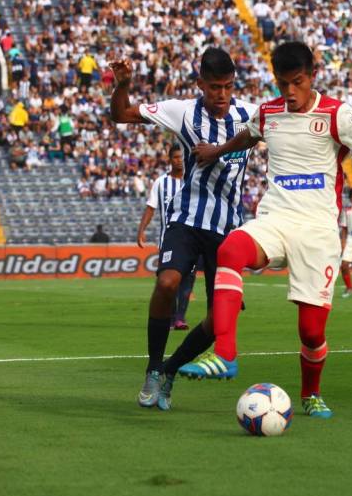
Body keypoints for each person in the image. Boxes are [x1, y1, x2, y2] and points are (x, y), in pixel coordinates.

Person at [182, 41, 352, 420]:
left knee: (311, 332)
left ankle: (311, 393)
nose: (289, 93)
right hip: (277, 218)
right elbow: (245, 138)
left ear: (312, 76)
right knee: (231, 249)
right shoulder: (268, 113)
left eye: (297, 82)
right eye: (282, 84)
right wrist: (216, 151)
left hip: (318, 231)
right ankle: (225, 353)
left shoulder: (336, 114)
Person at [109, 46, 257, 412]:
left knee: (218, 319)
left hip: (228, 230)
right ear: (200, 84)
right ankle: (153, 368)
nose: (221, 95)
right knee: (167, 283)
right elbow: (122, 115)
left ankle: (171, 370)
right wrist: (122, 85)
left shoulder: (251, 114)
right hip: (187, 219)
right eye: (213, 88)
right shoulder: (182, 111)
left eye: (226, 86)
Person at [137, 145, 197, 330]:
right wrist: (141, 230)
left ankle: (180, 317)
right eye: (176, 157)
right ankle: (171, 317)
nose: (179, 160)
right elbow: (151, 207)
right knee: (168, 281)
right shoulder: (161, 182)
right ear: (170, 159)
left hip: (192, 240)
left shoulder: (193, 180)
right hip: (168, 240)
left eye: (181, 157)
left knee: (188, 280)